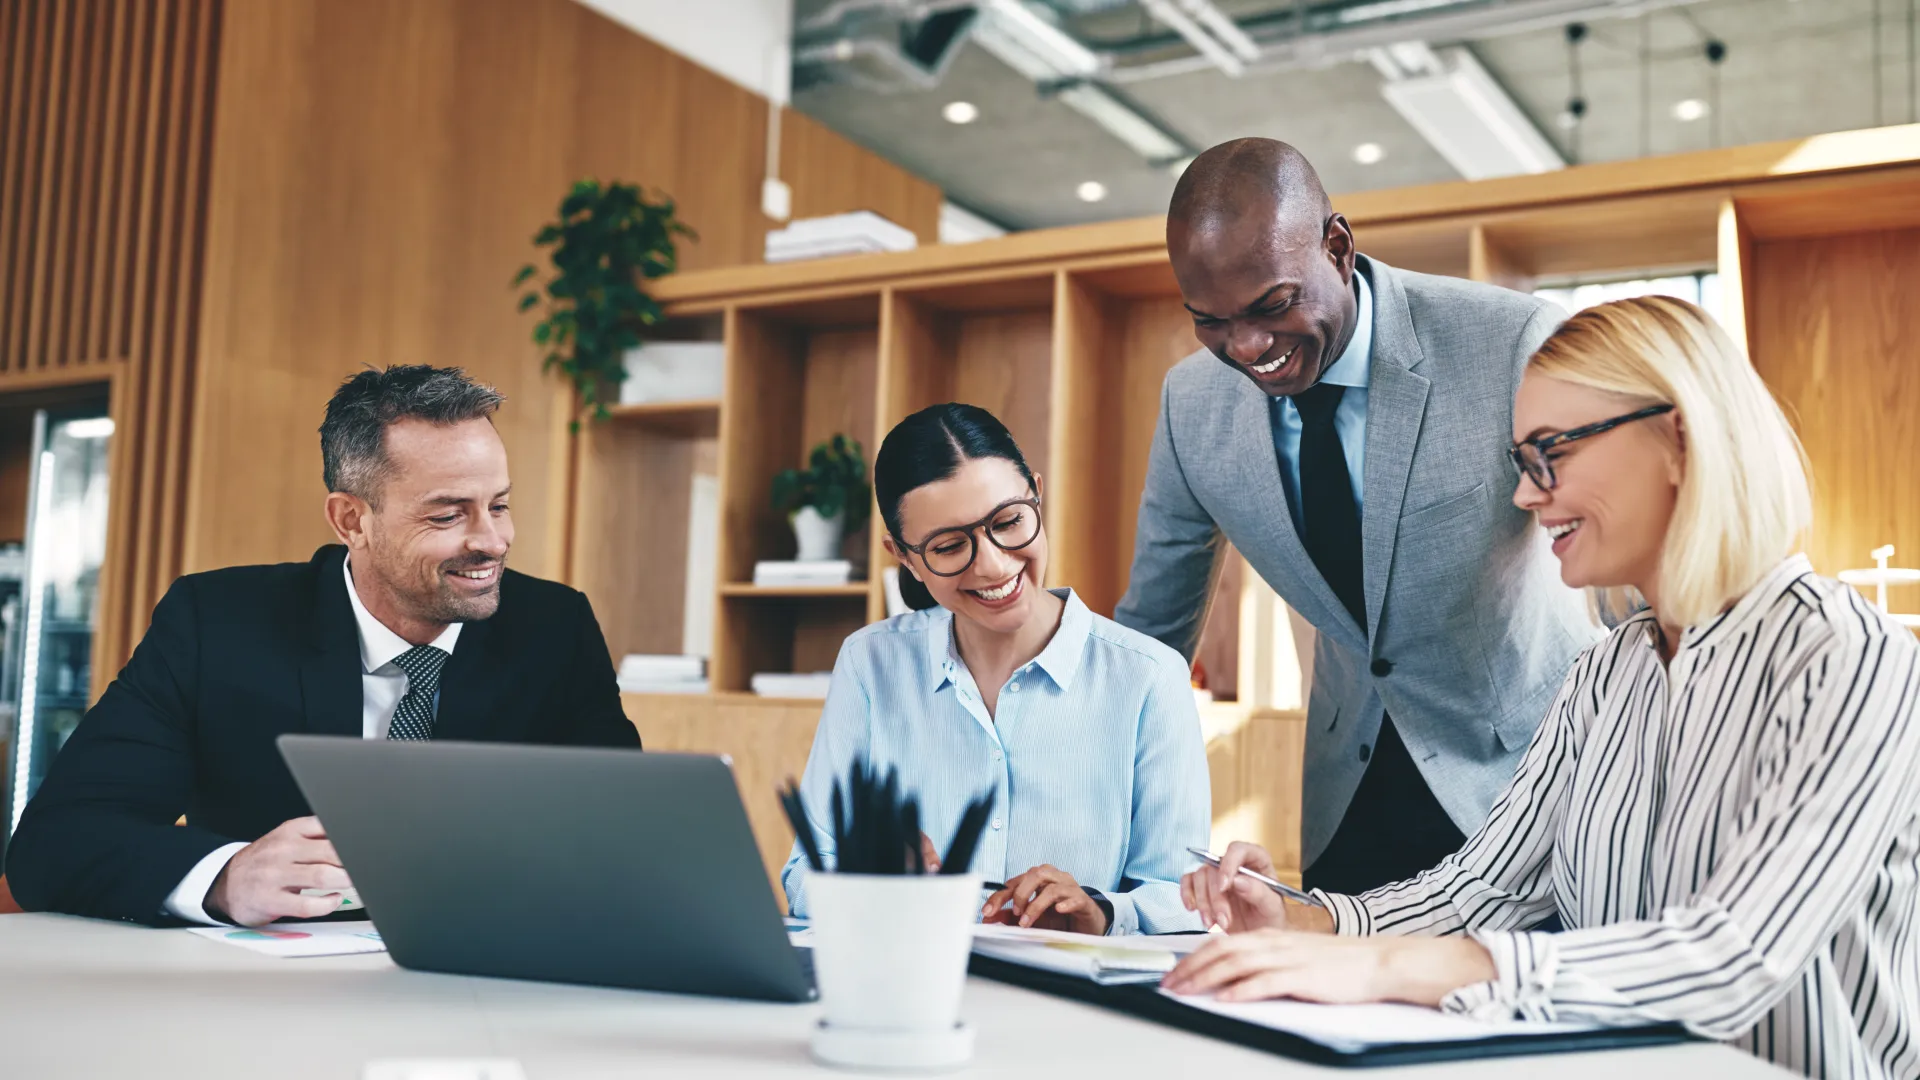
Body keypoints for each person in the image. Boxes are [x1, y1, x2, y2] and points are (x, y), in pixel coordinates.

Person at [1165, 297, 1920, 1079]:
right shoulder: (1602, 675)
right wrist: (1303, 918)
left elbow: (1733, 956)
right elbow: (1481, 891)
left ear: (1680, 436)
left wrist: (1389, 971)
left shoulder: (1848, 660)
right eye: (1523, 462)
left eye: (1550, 451)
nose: (1527, 496)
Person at [1115, 138, 1597, 894]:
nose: (1246, 347)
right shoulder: (1192, 404)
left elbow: (1621, 554)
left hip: (1533, 789)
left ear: (1338, 247)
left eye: (1273, 304)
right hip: (1349, 804)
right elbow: (1151, 635)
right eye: (1209, 321)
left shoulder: (1509, 342)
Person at [6, 365, 640, 927]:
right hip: (263, 1005)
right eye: (448, 515)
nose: (493, 540)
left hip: (483, 985)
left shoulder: (554, 628)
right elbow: (57, 842)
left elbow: (625, 837)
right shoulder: (219, 623)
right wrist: (227, 878)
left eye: (498, 506)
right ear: (351, 520)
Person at [782, 403, 1210, 936]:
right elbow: (805, 874)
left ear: (1036, 492)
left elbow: (1182, 902)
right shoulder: (871, 664)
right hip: (908, 982)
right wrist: (865, 881)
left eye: (1008, 522)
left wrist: (1100, 913)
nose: (992, 564)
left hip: (1071, 1006)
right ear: (904, 556)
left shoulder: (1149, 677)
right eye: (949, 546)